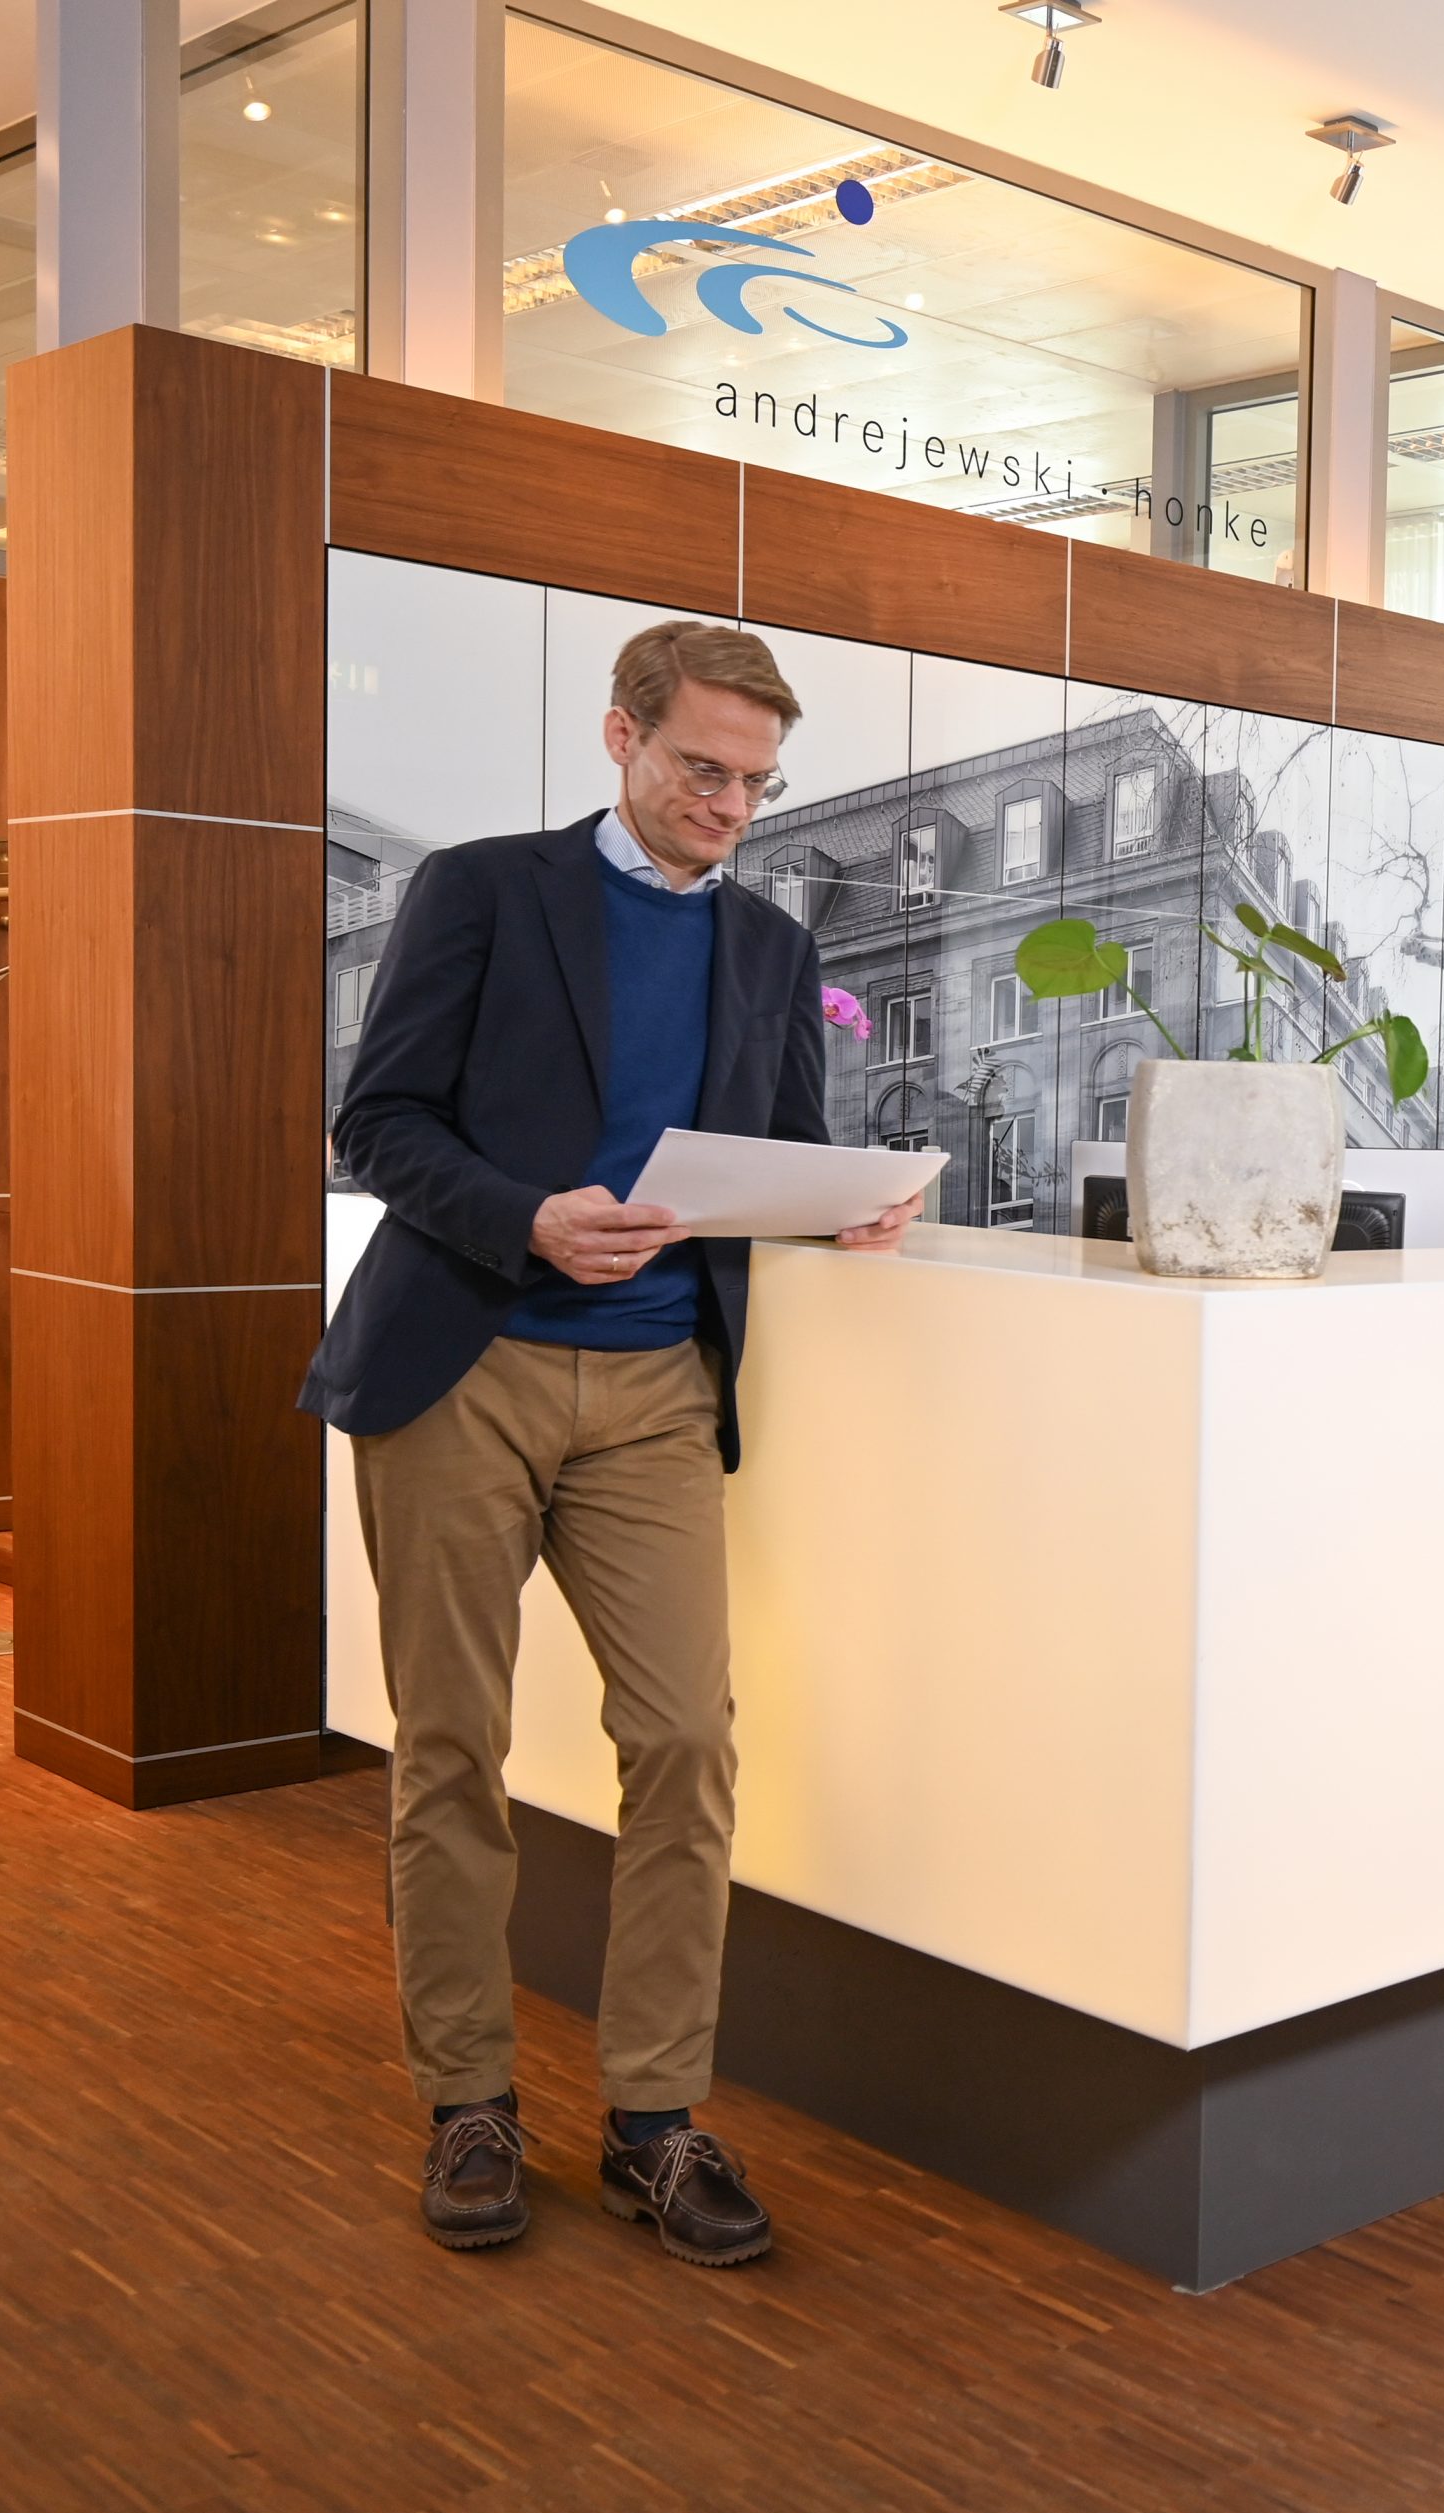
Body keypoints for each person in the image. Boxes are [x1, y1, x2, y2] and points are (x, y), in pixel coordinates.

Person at [300, 621, 921, 2265]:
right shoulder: (483, 891)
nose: (729, 804)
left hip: (656, 1394)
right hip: (467, 1369)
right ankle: (469, 2105)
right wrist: (525, 1216)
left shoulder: (770, 945)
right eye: (701, 768)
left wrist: (840, 1207)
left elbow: (777, 1150)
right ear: (620, 739)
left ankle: (653, 2122)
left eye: (755, 781)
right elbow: (377, 1123)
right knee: (452, 1748)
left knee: (688, 1747)